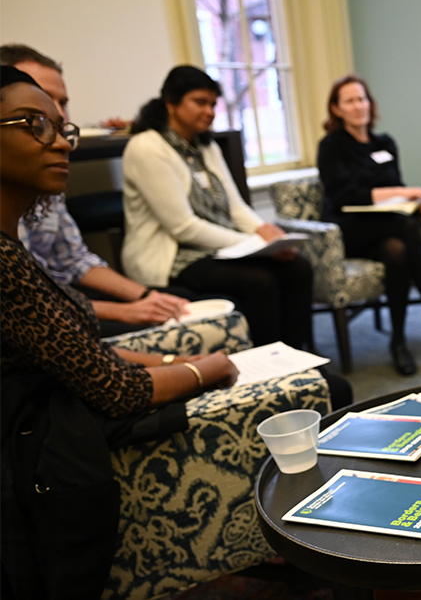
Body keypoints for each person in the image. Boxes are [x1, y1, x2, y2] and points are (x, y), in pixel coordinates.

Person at [1, 65, 241, 597]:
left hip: (67, 400)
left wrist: (162, 362)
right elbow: (112, 389)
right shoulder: (4, 261)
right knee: (322, 387)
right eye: (34, 124)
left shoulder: (14, 242)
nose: (61, 142)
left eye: (64, 127)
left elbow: (72, 352)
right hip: (45, 447)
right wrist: (206, 368)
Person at [1, 43, 191, 336]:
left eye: (62, 102)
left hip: (59, 298)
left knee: (193, 306)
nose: (59, 116)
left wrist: (144, 297)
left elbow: (73, 259)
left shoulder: (45, 175)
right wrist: (127, 313)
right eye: (39, 102)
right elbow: (29, 302)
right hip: (41, 315)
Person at [122, 66, 314, 351]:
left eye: (213, 104)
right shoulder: (146, 147)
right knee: (260, 282)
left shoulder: (205, 147)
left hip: (219, 248)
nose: (210, 111)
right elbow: (183, 227)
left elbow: (235, 205)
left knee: (297, 267)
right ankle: (268, 363)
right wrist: (255, 243)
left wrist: (265, 231)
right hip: (174, 257)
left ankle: (297, 353)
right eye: (200, 102)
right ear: (171, 103)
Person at [317, 75, 421, 375]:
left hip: (386, 227)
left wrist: (419, 207)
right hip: (346, 230)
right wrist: (404, 194)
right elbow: (344, 196)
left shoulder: (384, 143)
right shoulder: (332, 146)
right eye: (349, 101)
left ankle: (399, 342)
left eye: (362, 99)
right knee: (402, 230)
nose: (358, 106)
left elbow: (395, 192)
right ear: (336, 109)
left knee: (397, 250)